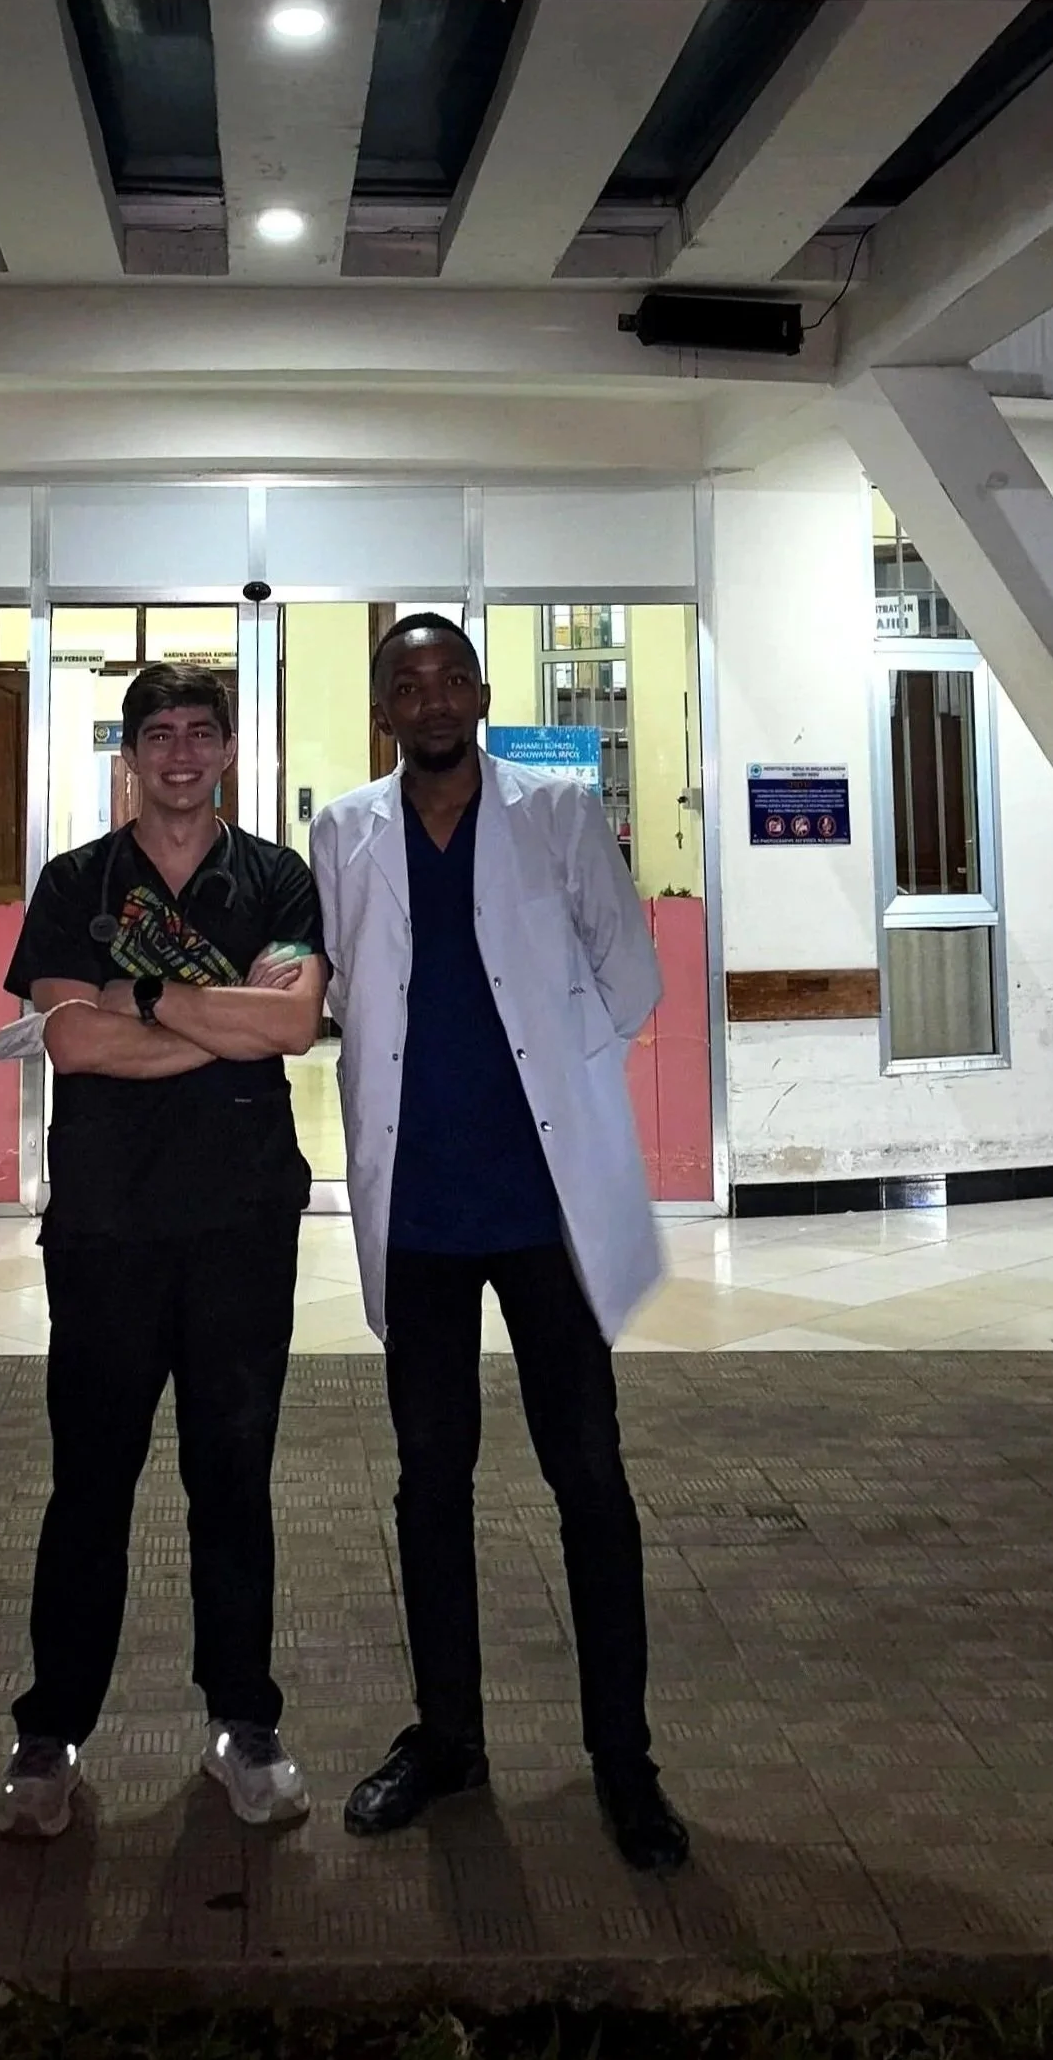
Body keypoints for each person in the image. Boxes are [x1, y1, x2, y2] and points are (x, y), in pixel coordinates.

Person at [310, 614, 688, 1872]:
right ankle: (450, 1739)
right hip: (417, 1211)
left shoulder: (556, 811)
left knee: (588, 1481)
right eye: (401, 683)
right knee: (430, 1486)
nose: (427, 700)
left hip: (543, 1212)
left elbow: (628, 978)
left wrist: (549, 1072)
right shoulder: (344, 834)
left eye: (444, 678)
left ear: (478, 692)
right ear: (380, 708)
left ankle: (621, 1763)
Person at [0, 660, 328, 1840]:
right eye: (157, 734)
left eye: (200, 732)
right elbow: (71, 1051)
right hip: (104, 1230)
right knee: (89, 1485)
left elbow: (290, 1022)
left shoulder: (278, 877)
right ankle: (48, 1737)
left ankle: (243, 1723)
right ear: (127, 753)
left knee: (231, 1483)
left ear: (228, 750)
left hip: (240, 1226)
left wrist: (132, 1003)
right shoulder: (75, 882)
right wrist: (210, 1018)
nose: (179, 753)